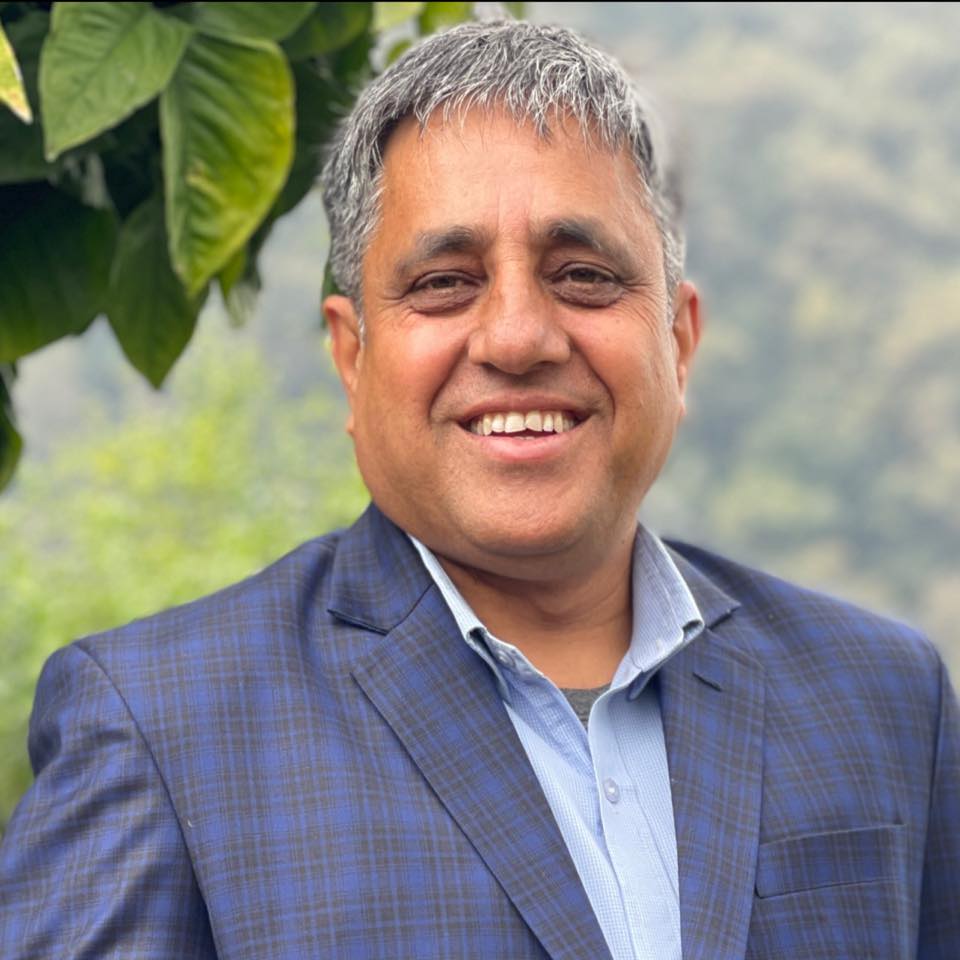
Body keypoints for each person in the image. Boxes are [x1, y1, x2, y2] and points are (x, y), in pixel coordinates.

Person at [1, 18, 957, 960]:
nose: (517, 337)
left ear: (678, 341)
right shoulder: (160, 727)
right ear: (351, 357)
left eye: (583, 275)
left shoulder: (884, 698)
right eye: (444, 283)